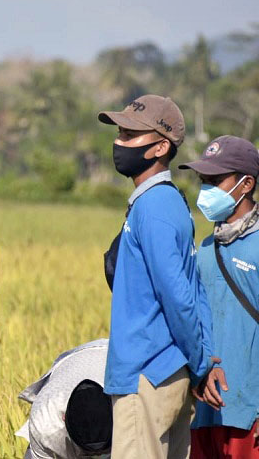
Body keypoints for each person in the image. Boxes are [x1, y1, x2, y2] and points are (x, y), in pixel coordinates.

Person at [97, 94, 213, 459]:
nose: (119, 143)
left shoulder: (154, 207)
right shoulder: (168, 202)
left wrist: (201, 363)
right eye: (119, 133)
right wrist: (200, 359)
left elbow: (179, 295)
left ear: (160, 146)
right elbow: (196, 290)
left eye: (130, 135)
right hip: (166, 369)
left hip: (147, 372)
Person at [178, 135, 259, 458]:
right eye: (204, 180)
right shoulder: (207, 248)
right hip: (205, 410)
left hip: (249, 411)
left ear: (246, 184)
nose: (207, 189)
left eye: (216, 180)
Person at [15, 339, 112, 459]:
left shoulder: (131, 404)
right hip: (73, 359)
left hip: (119, 356)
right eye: (87, 452)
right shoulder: (45, 422)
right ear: (63, 417)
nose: (96, 456)